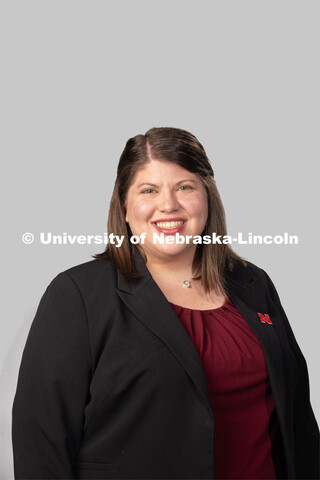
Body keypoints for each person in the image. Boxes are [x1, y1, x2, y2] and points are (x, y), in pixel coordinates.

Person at [12, 127, 319, 480]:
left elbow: (297, 419)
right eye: (149, 190)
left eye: (184, 187)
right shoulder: (77, 294)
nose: (168, 205)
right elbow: (41, 439)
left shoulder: (253, 282)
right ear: (125, 207)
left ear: (207, 197)